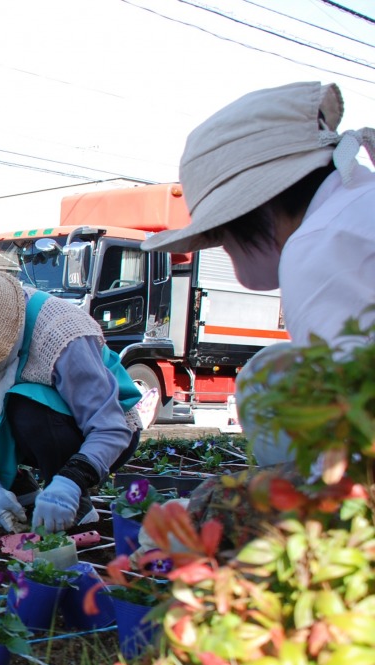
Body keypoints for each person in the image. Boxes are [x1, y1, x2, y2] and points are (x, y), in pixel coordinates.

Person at [139, 81, 375, 465]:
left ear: (254, 210)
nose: (226, 248)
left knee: (268, 378)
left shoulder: (318, 245)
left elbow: (352, 422)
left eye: (222, 234)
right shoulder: (353, 205)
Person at [0, 262, 143, 533]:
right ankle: (18, 486)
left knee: (25, 402)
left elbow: (110, 428)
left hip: (99, 436)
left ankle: (75, 501)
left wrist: (70, 482)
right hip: (17, 428)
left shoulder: (63, 335)